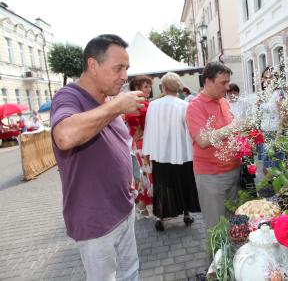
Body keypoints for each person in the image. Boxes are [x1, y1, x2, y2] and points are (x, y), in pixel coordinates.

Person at [50, 34, 142, 281]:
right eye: (118, 68)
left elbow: (119, 145)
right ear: (93, 65)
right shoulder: (69, 97)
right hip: (95, 218)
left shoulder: (108, 100)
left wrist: (133, 174)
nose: (125, 76)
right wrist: (116, 108)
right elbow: (65, 136)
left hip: (123, 206)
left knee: (130, 273)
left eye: (127, 68)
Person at [186, 62, 249, 229]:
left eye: (228, 82)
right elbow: (203, 140)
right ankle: (216, 256)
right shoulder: (195, 106)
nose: (227, 87)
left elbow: (229, 131)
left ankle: (231, 255)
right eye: (223, 83)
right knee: (217, 229)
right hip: (212, 176)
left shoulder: (223, 101)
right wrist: (234, 127)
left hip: (233, 171)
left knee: (234, 225)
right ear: (207, 81)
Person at [142, 72, 201, 231]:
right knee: (185, 182)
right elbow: (189, 131)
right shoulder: (184, 105)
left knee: (162, 184)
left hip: (161, 152)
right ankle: (187, 214)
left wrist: (147, 150)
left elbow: (149, 129)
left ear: (164, 87)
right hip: (181, 152)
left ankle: (161, 217)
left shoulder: (154, 105)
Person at [124, 75, 153, 218]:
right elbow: (133, 124)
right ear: (137, 88)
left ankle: (143, 206)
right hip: (140, 143)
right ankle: (142, 206)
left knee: (147, 176)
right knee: (146, 176)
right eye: (145, 86)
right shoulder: (136, 104)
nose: (149, 88)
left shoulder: (145, 102)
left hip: (145, 142)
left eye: (149, 86)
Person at [258, 66, 285, 175]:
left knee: (275, 165)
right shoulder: (265, 93)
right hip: (264, 131)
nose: (268, 80)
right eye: (265, 77)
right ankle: (270, 188)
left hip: (275, 132)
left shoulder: (279, 93)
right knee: (266, 163)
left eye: (271, 77)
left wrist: (279, 134)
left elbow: (283, 114)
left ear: (277, 79)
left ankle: (278, 190)